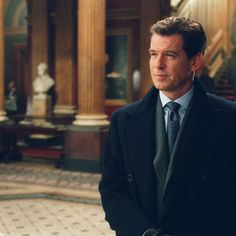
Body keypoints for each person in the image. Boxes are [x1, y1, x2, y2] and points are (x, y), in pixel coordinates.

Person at [99, 16, 236, 236]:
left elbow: (231, 198)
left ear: (195, 61)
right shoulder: (123, 119)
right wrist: (145, 233)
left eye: (170, 55)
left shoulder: (229, 119)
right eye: (153, 54)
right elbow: (112, 189)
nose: (158, 64)